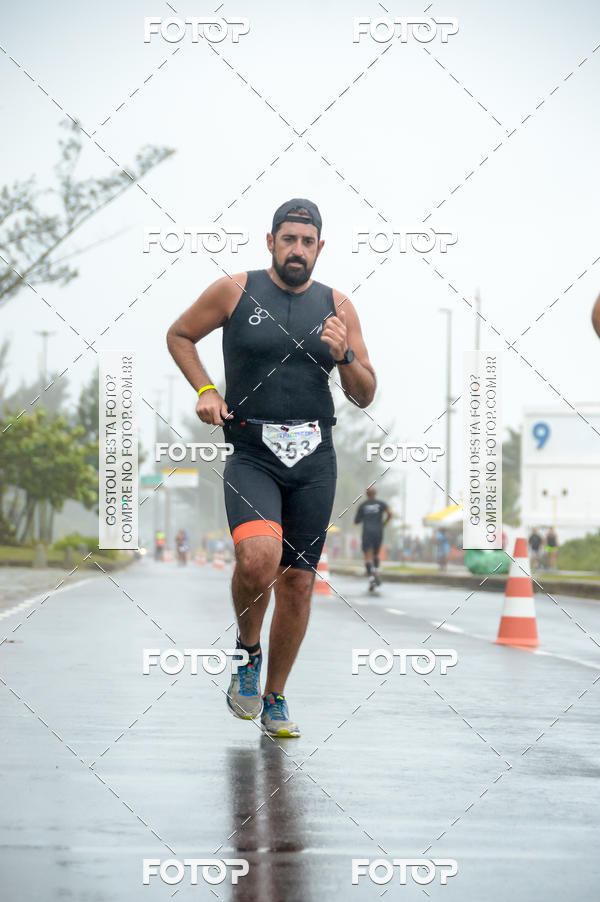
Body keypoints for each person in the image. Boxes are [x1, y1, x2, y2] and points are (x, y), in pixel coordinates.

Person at [166, 199, 376, 737]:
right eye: (289, 239)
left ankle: (276, 698)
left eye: (308, 242)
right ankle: (246, 652)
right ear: (271, 241)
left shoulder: (338, 306)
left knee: (299, 584)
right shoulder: (235, 290)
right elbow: (179, 334)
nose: (298, 250)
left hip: (314, 458)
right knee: (258, 558)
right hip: (253, 451)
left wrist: (345, 356)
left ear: (320, 248)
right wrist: (207, 390)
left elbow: (364, 395)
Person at [354, 487, 392, 591]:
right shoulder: (381, 504)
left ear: (366, 494)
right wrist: (384, 522)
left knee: (367, 556)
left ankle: (371, 578)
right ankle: (375, 570)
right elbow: (389, 513)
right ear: (375, 494)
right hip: (378, 531)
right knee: (375, 554)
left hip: (367, 532)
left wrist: (363, 518)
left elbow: (356, 521)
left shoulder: (362, 506)